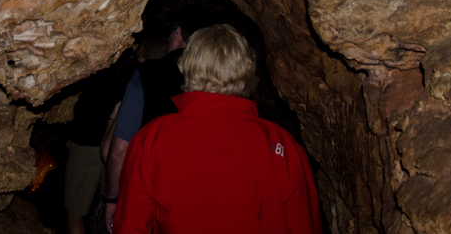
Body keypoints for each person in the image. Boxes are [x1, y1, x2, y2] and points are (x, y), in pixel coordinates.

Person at [114, 24, 321, 234]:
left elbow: (131, 226)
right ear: (246, 70)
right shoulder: (282, 145)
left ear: (187, 66)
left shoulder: (152, 138)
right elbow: (303, 225)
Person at [103, 19, 196, 229]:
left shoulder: (147, 75)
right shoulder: (203, 82)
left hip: (144, 188)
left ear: (178, 32)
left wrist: (112, 199)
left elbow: (115, 150)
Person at [64, 59, 130, 234]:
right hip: (113, 143)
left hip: (87, 143)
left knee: (75, 211)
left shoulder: (95, 71)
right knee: (106, 206)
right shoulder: (127, 71)